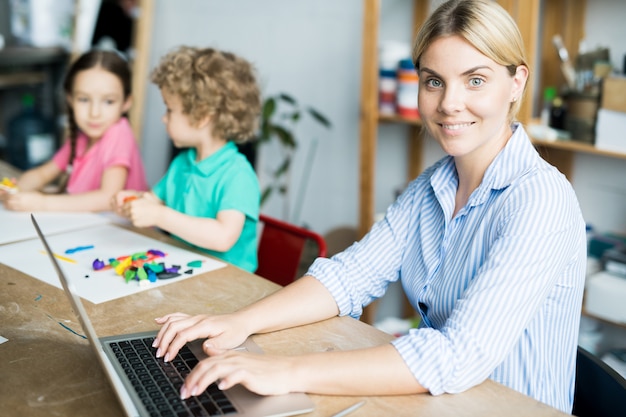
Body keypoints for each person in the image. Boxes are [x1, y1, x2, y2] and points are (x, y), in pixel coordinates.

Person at [151, 0, 586, 413]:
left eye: (475, 80)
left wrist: (284, 371)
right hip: (442, 401)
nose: (449, 103)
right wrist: (238, 323)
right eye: (434, 81)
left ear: (517, 83)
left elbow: (456, 354)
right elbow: (347, 277)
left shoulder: (540, 200)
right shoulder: (428, 190)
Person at [112, 46, 261, 273]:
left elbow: (223, 237)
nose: (163, 118)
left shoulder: (238, 175)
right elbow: (155, 201)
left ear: (201, 117)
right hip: (184, 270)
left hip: (228, 286)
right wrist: (134, 202)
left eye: (170, 110)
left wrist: (159, 215)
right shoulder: (183, 162)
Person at [0, 49, 148, 212]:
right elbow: (43, 174)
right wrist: (14, 189)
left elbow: (108, 198)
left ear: (127, 102)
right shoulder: (81, 138)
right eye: (84, 99)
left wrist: (42, 203)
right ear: (70, 99)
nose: (94, 113)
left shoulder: (119, 134)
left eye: (108, 101)